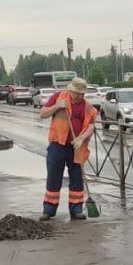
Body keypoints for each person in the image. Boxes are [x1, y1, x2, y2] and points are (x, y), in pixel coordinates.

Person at [38, 77, 97, 221]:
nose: (81, 96)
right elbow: (43, 114)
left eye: (83, 94)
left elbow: (91, 126)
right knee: (54, 177)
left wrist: (81, 138)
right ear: (71, 90)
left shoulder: (87, 106)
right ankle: (49, 210)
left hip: (76, 146)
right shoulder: (58, 97)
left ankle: (76, 210)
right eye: (78, 93)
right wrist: (57, 106)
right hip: (57, 144)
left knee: (77, 178)